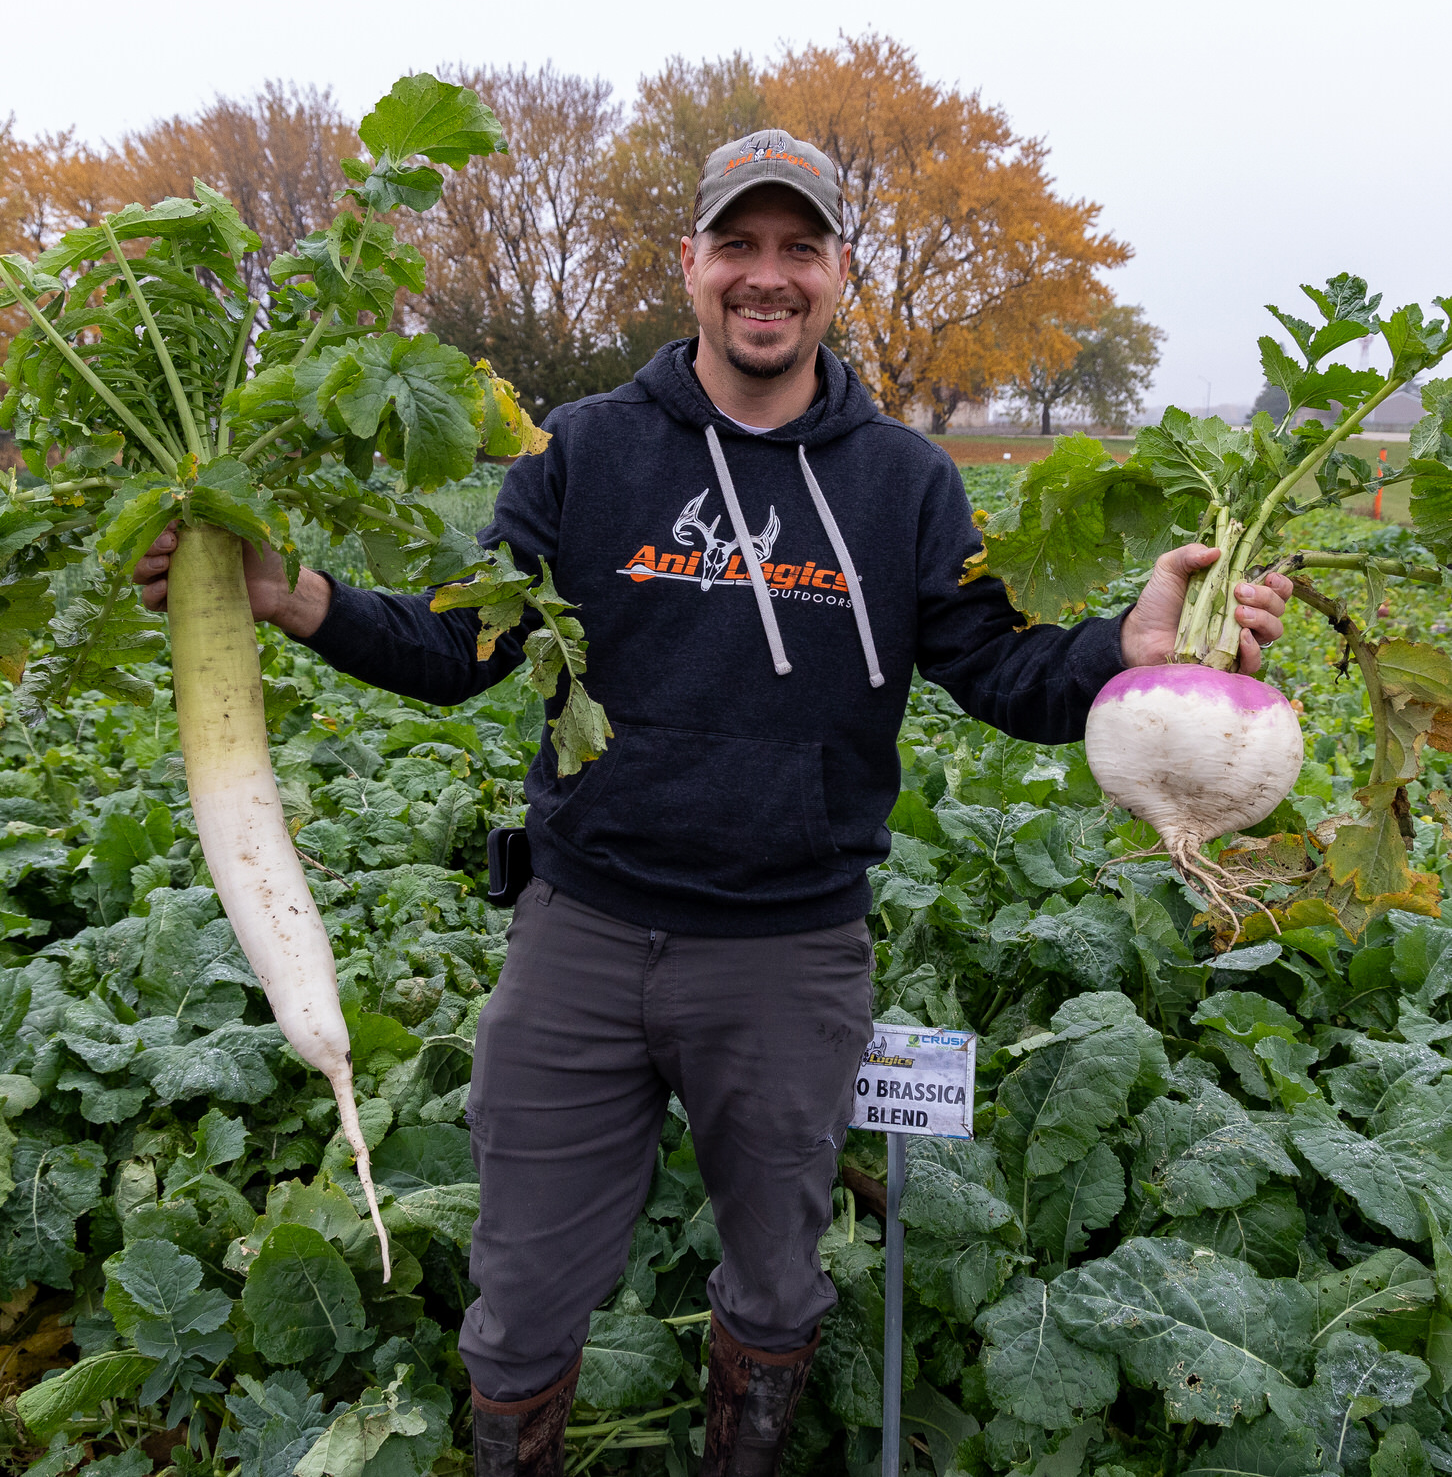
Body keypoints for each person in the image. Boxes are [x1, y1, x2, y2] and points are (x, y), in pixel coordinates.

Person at [137, 130, 1292, 1477]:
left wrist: (1127, 652)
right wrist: (296, 601)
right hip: (583, 934)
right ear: (688, 266)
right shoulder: (584, 455)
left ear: (837, 272)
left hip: (790, 952)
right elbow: (467, 647)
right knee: (518, 1297)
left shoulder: (905, 484)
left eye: (796, 247)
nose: (766, 277)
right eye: (736, 246)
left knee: (776, 1279)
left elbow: (998, 668)